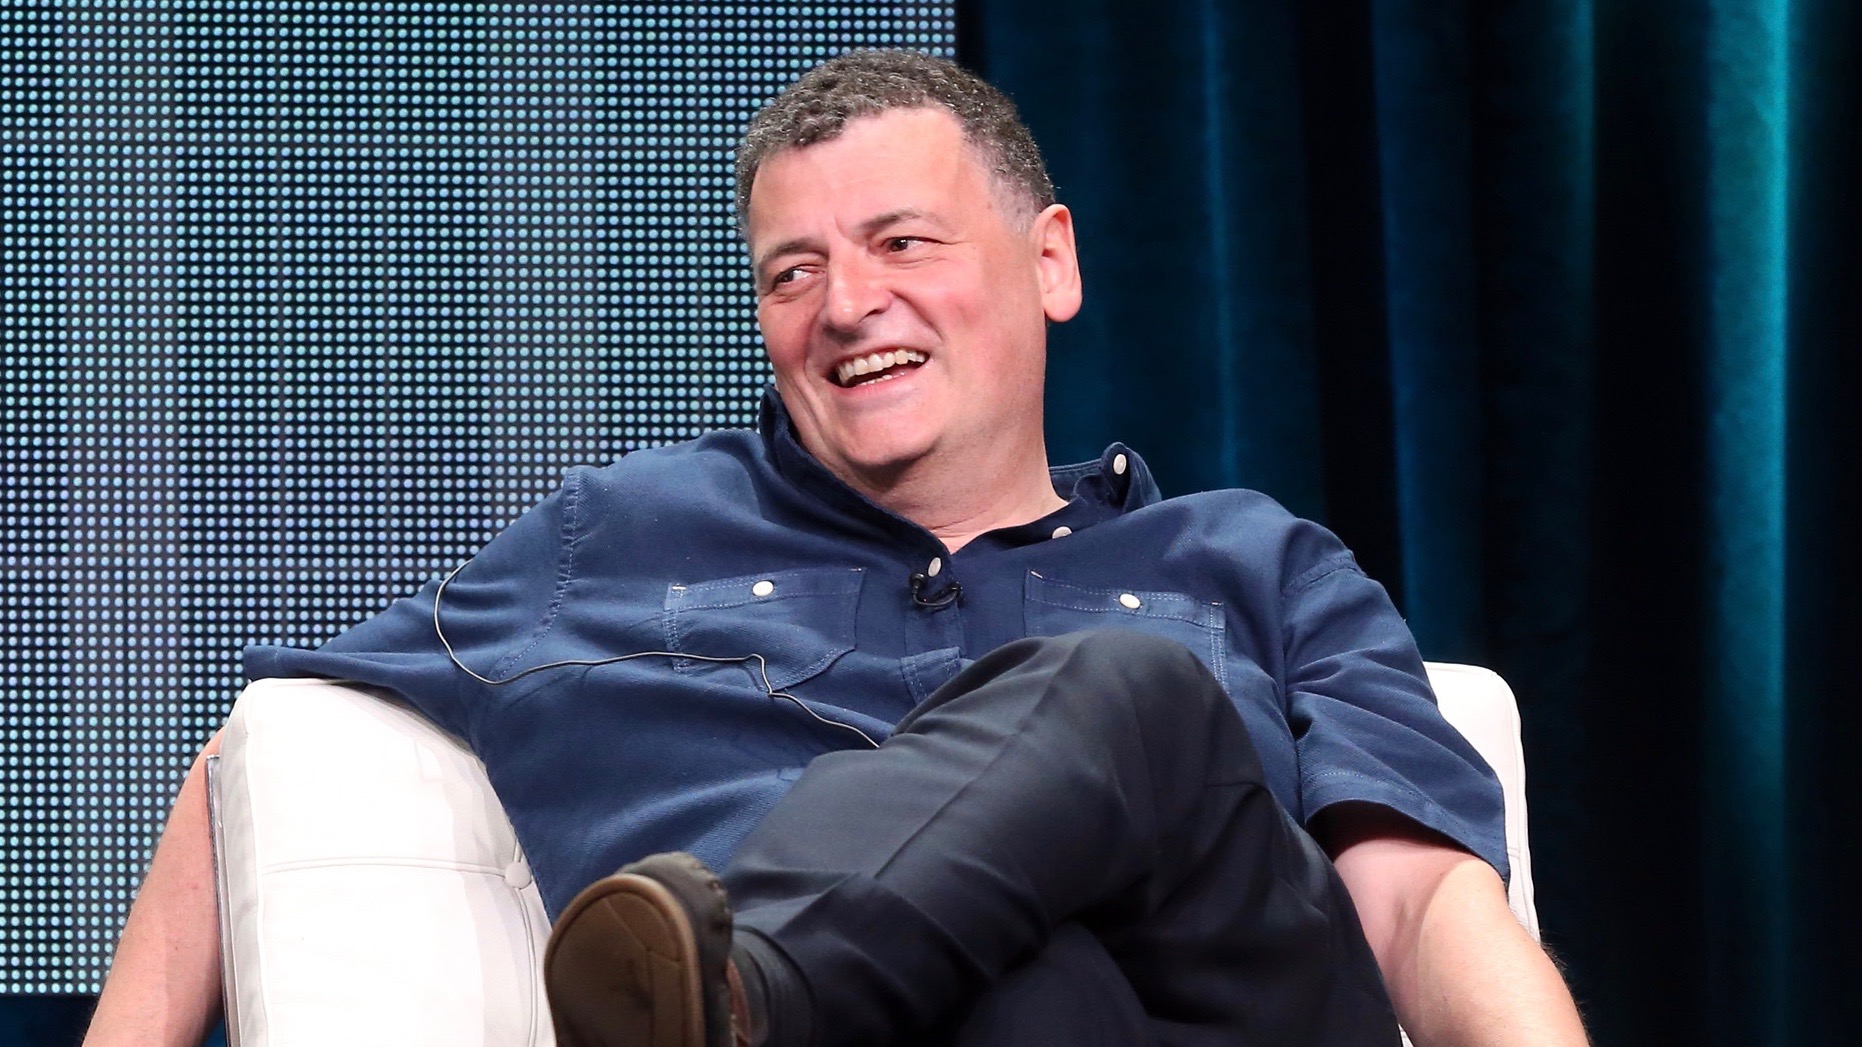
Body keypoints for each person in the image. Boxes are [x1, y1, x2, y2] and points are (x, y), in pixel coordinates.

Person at [85, 50, 1587, 1047]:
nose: (845, 304)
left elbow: (1419, 896)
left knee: (1124, 694)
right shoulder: (617, 535)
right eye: (790, 272)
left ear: (1048, 262)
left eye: (900, 244)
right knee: (1023, 984)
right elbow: (255, 762)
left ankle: (744, 995)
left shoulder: (1249, 562)